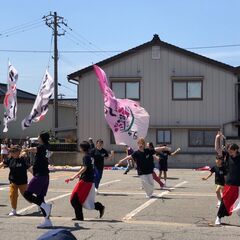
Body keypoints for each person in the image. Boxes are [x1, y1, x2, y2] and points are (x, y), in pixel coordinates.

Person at [66, 141, 105, 221]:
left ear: (82, 148)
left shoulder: (86, 157)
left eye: (80, 147)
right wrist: (80, 175)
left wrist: (74, 176)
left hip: (86, 181)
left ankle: (81, 216)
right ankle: (97, 207)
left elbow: (85, 168)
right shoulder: (90, 156)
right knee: (81, 199)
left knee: (74, 199)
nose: (79, 148)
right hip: (88, 179)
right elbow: (89, 168)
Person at [22, 131, 53, 228]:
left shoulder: (41, 147)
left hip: (40, 175)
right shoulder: (47, 147)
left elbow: (33, 149)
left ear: (42, 138)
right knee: (40, 198)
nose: (38, 137)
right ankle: (47, 221)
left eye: (39, 136)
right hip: (45, 175)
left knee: (27, 194)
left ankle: (45, 206)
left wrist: (24, 150)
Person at [0, 145, 31, 216]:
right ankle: (14, 210)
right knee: (12, 195)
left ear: (17, 152)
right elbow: (2, 164)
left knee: (28, 197)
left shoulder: (23, 159)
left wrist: (36, 176)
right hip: (13, 181)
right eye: (11, 151)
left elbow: (29, 168)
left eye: (13, 152)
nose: (11, 153)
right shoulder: (10, 159)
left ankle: (39, 203)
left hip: (23, 182)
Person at [215, 143, 240, 225]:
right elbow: (217, 149)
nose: (229, 152)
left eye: (231, 151)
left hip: (238, 184)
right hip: (229, 183)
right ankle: (218, 217)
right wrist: (217, 139)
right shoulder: (228, 156)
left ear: (236, 150)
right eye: (228, 150)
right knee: (225, 201)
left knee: (237, 202)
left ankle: (237, 211)